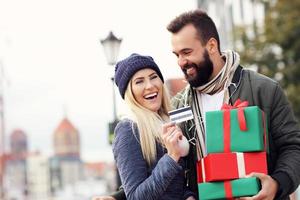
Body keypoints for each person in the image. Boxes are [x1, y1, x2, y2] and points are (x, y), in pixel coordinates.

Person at [94, 9, 300, 200]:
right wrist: (117, 197)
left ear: (211, 46)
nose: (181, 62)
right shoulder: (179, 105)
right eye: (176, 55)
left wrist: (277, 183)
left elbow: (293, 147)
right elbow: (158, 175)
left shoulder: (262, 89)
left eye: (186, 52)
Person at [94, 53, 196, 200]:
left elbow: (175, 184)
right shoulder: (128, 130)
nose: (150, 86)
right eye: (139, 81)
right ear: (130, 92)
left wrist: (188, 196)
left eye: (153, 77)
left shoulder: (166, 121)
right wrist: (172, 156)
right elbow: (136, 197)